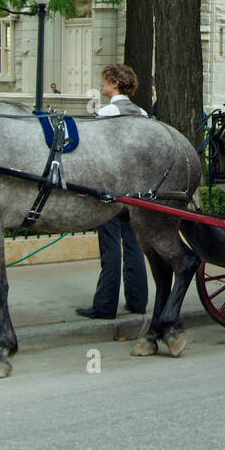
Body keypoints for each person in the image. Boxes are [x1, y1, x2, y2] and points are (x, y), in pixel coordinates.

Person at [78, 64, 149, 320]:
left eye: (106, 81)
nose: (103, 85)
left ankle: (105, 305)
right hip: (135, 190)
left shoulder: (107, 112)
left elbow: (96, 151)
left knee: (110, 247)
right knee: (133, 244)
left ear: (115, 83)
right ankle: (138, 300)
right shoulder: (141, 113)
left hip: (110, 189)